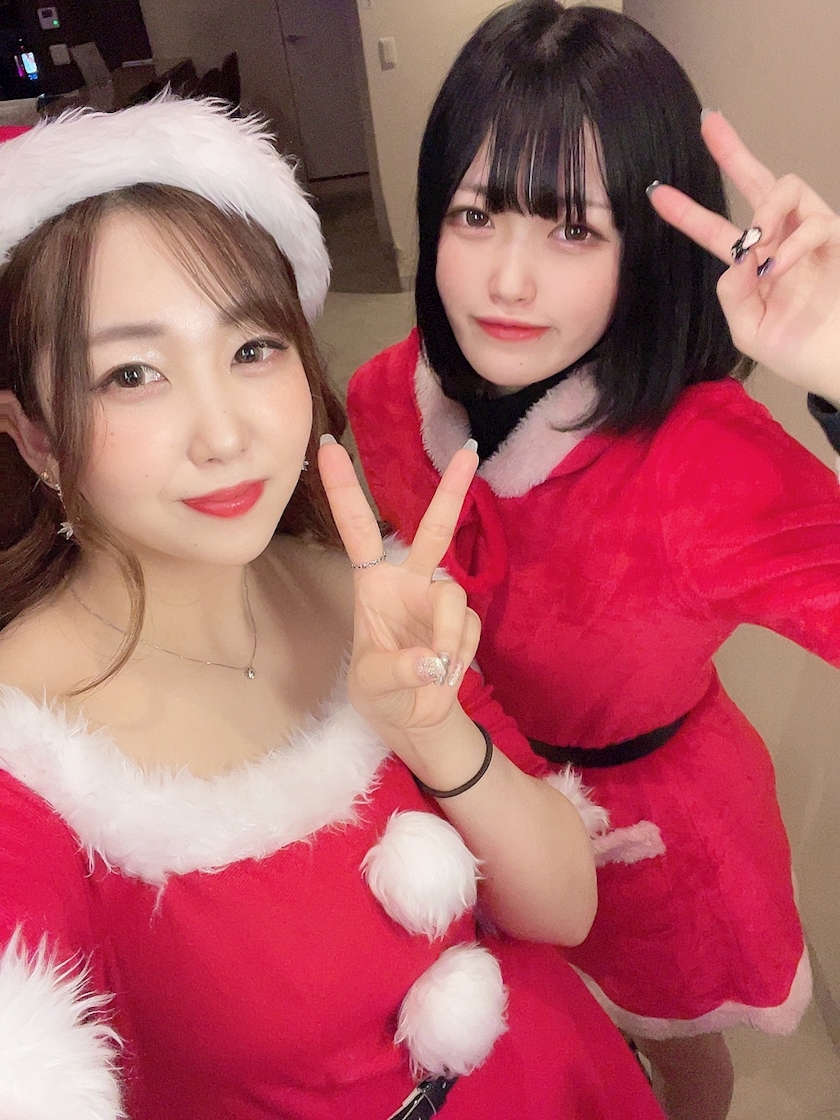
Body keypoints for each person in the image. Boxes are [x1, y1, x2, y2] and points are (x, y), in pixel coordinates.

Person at [0, 96, 666, 1120]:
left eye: (251, 350)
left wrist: (432, 730)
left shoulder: (361, 585)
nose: (225, 435)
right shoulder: (26, 750)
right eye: (132, 373)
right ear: (38, 437)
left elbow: (564, 908)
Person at [346, 4, 840, 1119]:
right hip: (468, 795)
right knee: (539, 1035)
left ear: (646, 254)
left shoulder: (702, 457)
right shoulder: (386, 393)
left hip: (659, 845)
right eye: (477, 214)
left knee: (678, 1058)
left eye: (573, 230)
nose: (507, 282)